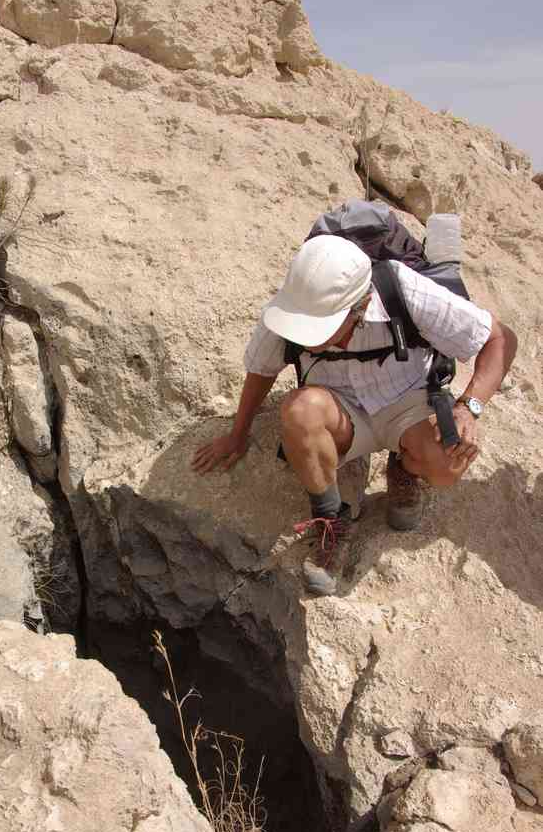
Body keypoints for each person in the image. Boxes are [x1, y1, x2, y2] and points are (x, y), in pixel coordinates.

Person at [192, 235, 517, 596]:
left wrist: (468, 407)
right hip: (340, 408)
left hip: (408, 402)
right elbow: (261, 370)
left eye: (321, 325)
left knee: (447, 465)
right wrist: (238, 434)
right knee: (299, 410)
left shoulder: (402, 289)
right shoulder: (295, 302)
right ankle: (331, 520)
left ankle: (404, 469)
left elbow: (501, 339)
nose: (308, 337)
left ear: (360, 306)